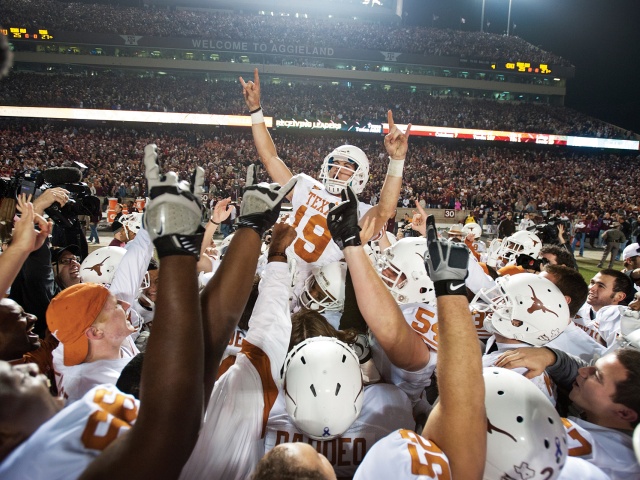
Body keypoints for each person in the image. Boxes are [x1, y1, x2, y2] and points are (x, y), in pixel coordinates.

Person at [0, 143, 208, 479]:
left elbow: (124, 280)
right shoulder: (101, 389)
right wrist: (179, 246)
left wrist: (150, 228)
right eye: (110, 304)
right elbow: (172, 429)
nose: (121, 300)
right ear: (95, 332)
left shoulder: (86, 342)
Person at [254, 213, 487, 479]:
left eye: (393, 273)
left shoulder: (265, 411)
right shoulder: (389, 407)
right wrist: (449, 289)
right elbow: (460, 407)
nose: (385, 276)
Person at [239, 68, 410, 273]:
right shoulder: (304, 185)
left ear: (360, 176)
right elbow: (269, 158)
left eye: (347, 166)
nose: (338, 169)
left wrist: (397, 159)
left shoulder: (359, 211)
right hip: (276, 269)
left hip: (314, 289)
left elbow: (385, 210)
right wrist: (256, 110)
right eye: (335, 164)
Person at [496, 347, 640, 479]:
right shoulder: (606, 420)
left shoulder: (606, 467)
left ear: (624, 414)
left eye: (596, 375)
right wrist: (549, 355)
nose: (582, 371)